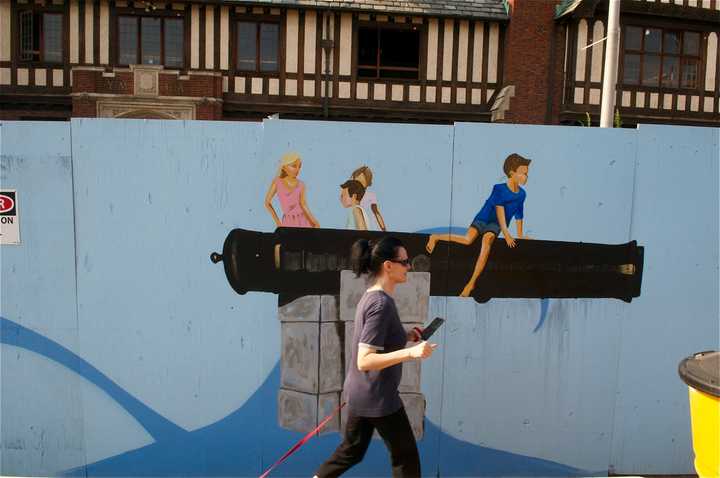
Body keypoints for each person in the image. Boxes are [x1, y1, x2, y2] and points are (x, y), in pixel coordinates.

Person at [314, 237, 437, 478]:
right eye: (404, 261)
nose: (409, 266)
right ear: (388, 266)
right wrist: (411, 353)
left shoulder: (374, 298)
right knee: (406, 458)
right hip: (378, 397)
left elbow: (378, 340)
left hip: (361, 393)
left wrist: (406, 335)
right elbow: (365, 359)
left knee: (350, 452)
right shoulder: (381, 304)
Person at [425, 153, 532, 297]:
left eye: (527, 174)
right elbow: (499, 211)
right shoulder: (499, 189)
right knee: (468, 240)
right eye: (523, 174)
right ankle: (436, 237)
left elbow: (519, 214)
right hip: (484, 217)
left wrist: (519, 235)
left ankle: (471, 283)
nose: (526, 177)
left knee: (487, 241)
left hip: (495, 224)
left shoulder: (522, 194)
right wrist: (506, 234)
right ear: (512, 173)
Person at [264, 152, 320, 228]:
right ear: (284, 167)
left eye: (299, 167)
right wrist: (278, 223)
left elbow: (303, 204)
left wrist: (314, 222)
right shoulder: (277, 182)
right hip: (288, 222)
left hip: (304, 221)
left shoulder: (301, 185)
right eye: (294, 166)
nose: (297, 170)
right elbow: (267, 202)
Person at [351, 165, 387, 231]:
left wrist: (384, 230)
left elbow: (376, 213)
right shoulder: (353, 195)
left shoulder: (370, 195)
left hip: (368, 225)